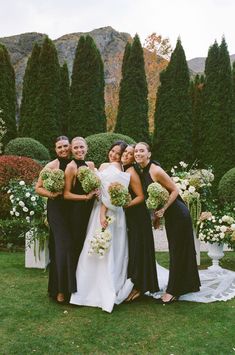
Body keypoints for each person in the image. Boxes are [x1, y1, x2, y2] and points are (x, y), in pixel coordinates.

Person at [70, 141, 133, 313]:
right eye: (112, 151)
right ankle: (87, 287)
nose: (113, 155)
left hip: (108, 213)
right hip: (98, 209)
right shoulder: (106, 165)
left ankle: (105, 286)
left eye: (118, 153)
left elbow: (110, 196)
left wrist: (101, 214)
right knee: (94, 247)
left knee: (109, 249)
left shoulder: (121, 171)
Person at [134, 142, 201, 304]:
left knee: (177, 251)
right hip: (170, 215)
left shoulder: (155, 170)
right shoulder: (142, 171)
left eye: (141, 151)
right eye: (136, 151)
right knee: (178, 250)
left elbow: (175, 190)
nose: (138, 153)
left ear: (149, 154)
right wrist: (157, 217)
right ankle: (188, 284)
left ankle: (173, 291)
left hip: (178, 213)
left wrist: (163, 210)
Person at [35, 136, 75, 304]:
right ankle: (59, 290)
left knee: (72, 247)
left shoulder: (75, 165)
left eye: (65, 146)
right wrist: (52, 194)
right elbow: (38, 188)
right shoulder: (50, 166)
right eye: (59, 147)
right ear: (55, 149)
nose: (63, 149)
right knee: (62, 247)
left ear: (70, 147)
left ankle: (72, 289)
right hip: (57, 210)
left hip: (73, 210)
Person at [121, 145, 159, 301]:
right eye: (126, 152)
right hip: (131, 216)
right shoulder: (125, 170)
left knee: (139, 250)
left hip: (138, 216)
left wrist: (122, 206)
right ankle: (138, 285)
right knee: (135, 250)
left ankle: (138, 287)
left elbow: (141, 196)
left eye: (131, 153)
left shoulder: (131, 171)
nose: (128, 155)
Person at [63, 137, 97, 265]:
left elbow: (95, 185)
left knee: (89, 240)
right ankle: (74, 277)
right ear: (71, 150)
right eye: (76, 147)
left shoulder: (91, 165)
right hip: (76, 210)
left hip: (91, 209)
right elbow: (66, 194)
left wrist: (96, 192)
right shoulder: (71, 167)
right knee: (78, 241)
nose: (79, 150)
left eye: (81, 147)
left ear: (86, 148)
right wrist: (86, 197)